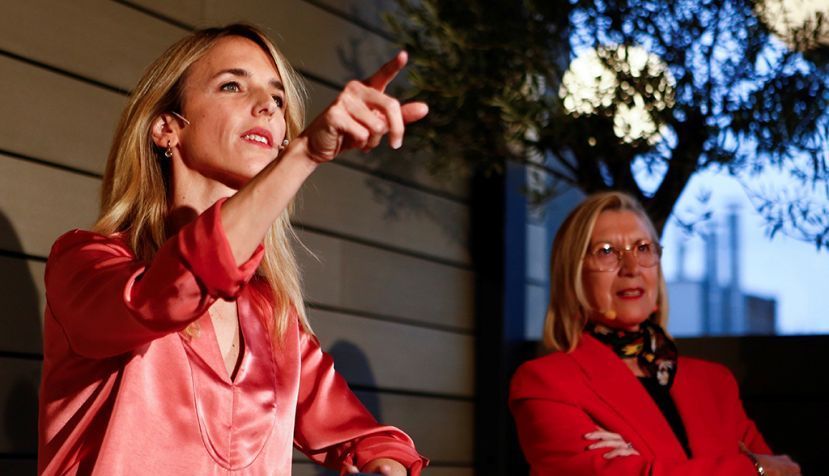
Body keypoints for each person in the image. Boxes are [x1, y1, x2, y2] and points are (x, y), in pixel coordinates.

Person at [37, 23, 429, 475]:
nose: (266, 106)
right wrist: (302, 156)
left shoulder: (272, 315)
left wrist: (385, 465)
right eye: (232, 85)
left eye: (278, 99)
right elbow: (158, 298)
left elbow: (365, 438)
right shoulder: (84, 261)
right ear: (167, 128)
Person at [509, 191, 801, 475]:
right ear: (573, 272)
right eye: (607, 252)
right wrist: (755, 469)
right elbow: (769, 470)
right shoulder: (547, 383)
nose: (632, 267)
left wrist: (646, 465)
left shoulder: (715, 384)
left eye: (643, 248)